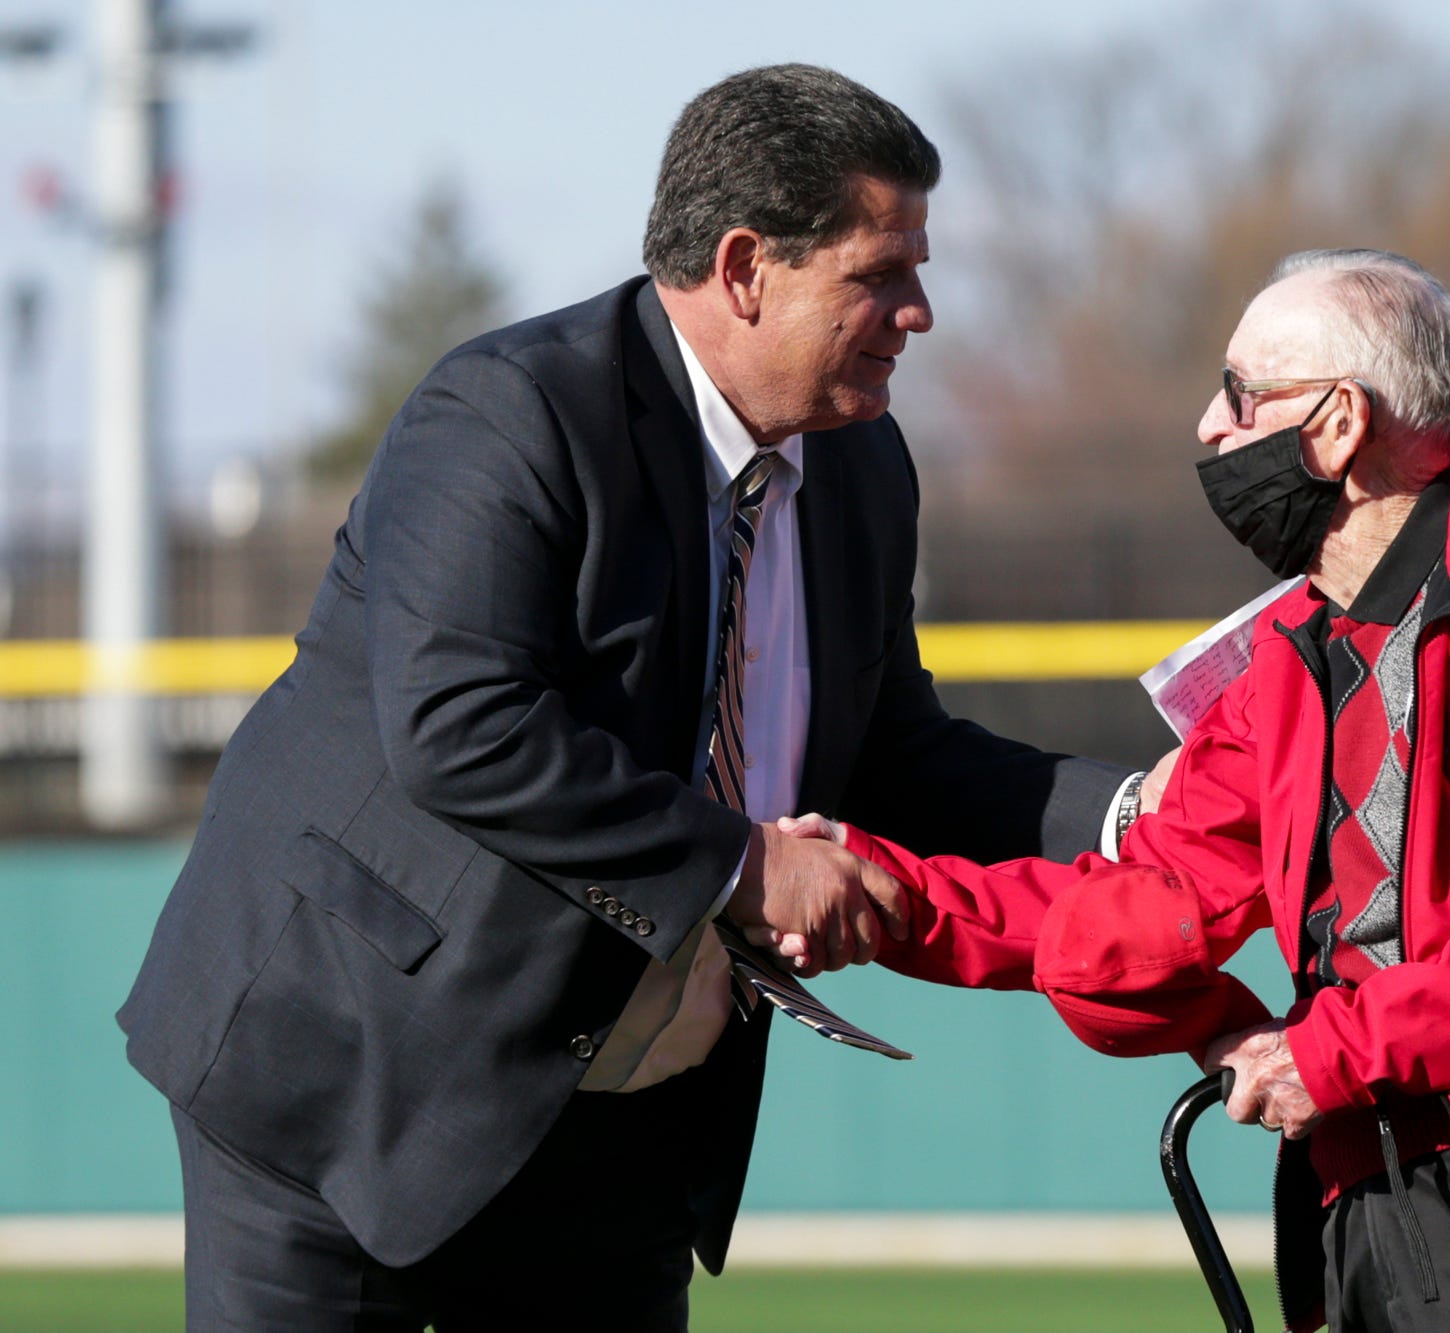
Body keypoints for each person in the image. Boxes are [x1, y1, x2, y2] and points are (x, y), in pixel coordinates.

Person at [117, 64, 1150, 1330]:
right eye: (879, 274)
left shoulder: (863, 463)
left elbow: (898, 754)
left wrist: (1139, 816)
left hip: (626, 1124)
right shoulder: (510, 411)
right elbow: (462, 728)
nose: (917, 313)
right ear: (744, 267)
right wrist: (745, 867)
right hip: (349, 1083)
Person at [790, 250, 1450, 1331]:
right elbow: (1145, 898)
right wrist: (879, 890)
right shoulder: (1291, 654)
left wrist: (1327, 1050)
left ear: (1339, 423)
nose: (1211, 426)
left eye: (1240, 394)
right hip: (1367, 1193)